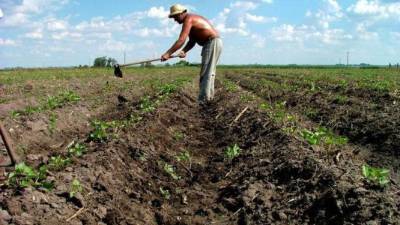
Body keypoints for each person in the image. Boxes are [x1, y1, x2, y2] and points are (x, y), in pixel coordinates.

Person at [161, 4, 222, 104]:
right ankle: (208, 99)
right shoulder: (191, 20)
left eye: (176, 16)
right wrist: (184, 51)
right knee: (209, 72)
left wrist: (168, 53)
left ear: (182, 13)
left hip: (211, 42)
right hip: (212, 43)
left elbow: (181, 40)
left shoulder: (188, 19)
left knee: (206, 73)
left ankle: (204, 101)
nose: (175, 20)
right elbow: (192, 41)